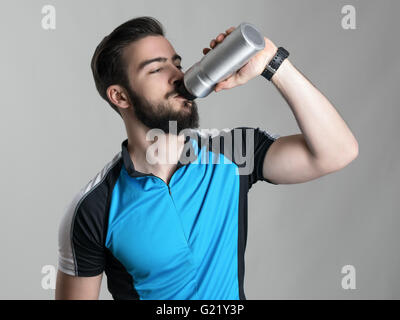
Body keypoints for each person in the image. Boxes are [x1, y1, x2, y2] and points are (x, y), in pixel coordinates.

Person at [56, 16, 358, 300]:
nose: (178, 76)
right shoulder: (95, 207)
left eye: (177, 64)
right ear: (119, 96)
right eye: (157, 69)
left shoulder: (233, 151)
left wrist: (272, 62)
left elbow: (338, 152)